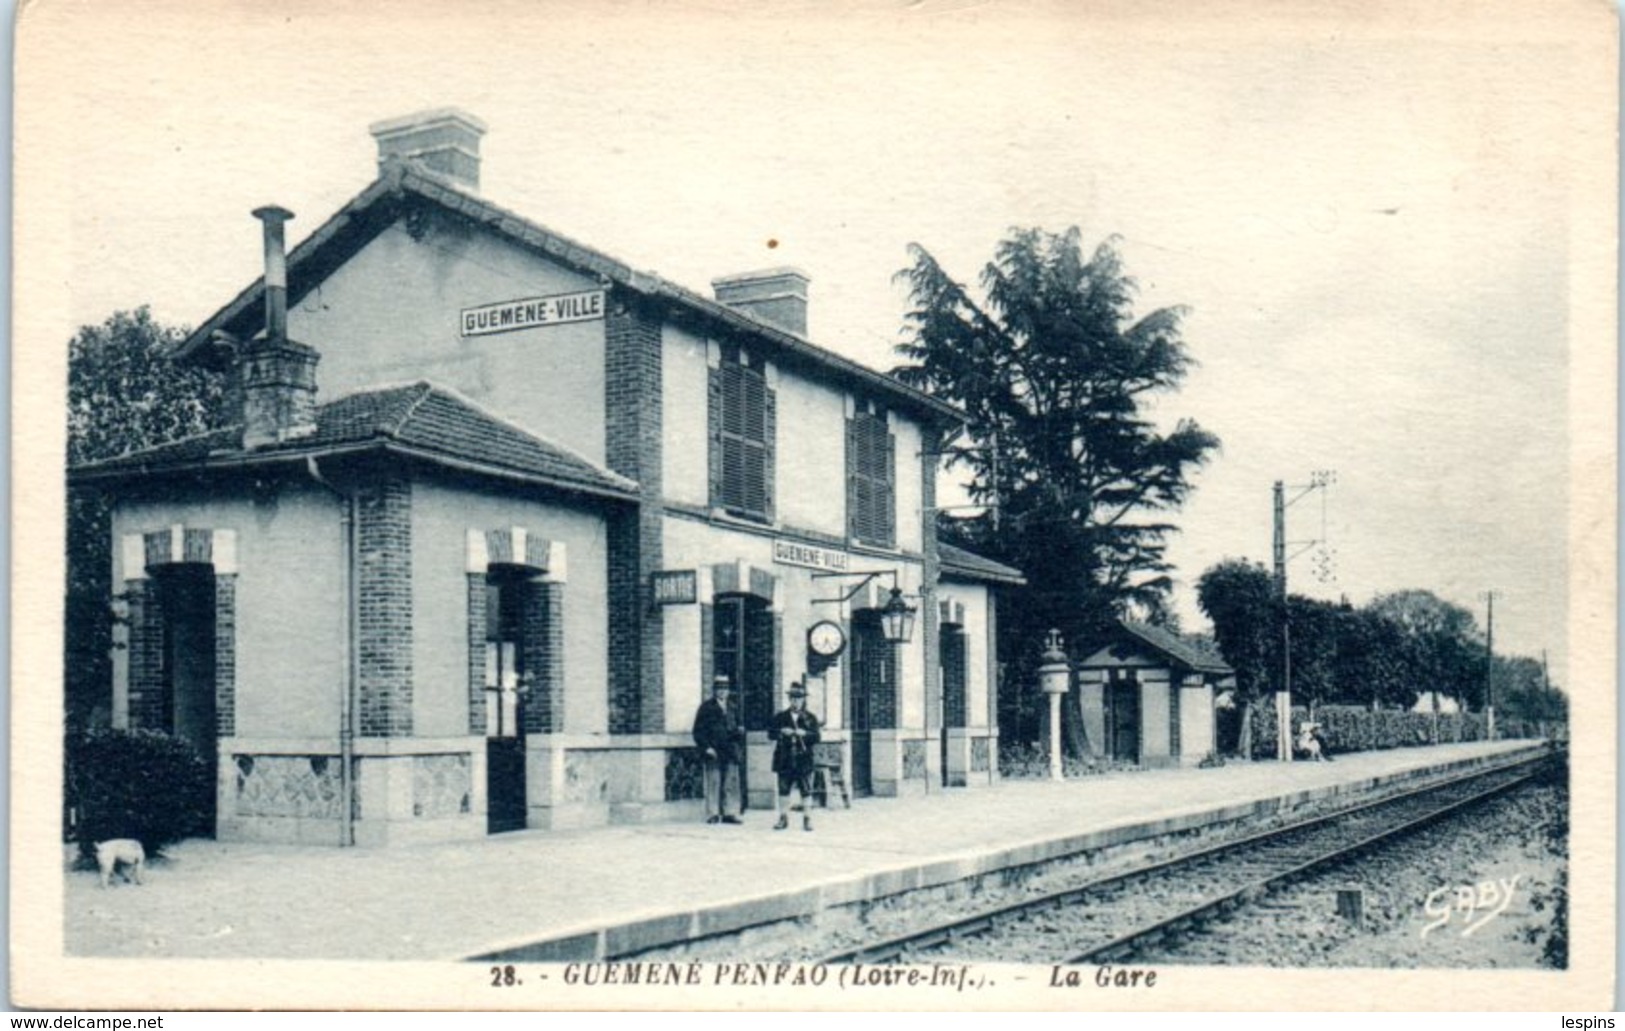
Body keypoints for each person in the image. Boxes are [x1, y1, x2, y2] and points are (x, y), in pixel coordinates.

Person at [770, 680, 822, 831]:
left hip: (803, 758)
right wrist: (781, 732)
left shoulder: (810, 718)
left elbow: (817, 737)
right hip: (784, 758)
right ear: (789, 699)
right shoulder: (780, 717)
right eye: (793, 698)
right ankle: (783, 818)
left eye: (798, 698)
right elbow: (770, 733)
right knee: (783, 788)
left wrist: (805, 733)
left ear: (803, 699)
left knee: (806, 789)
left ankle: (807, 819)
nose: (796, 701)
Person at [693, 676, 743, 824]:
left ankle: (730, 812)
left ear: (728, 691)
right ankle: (712, 813)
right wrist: (706, 747)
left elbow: (739, 726)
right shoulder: (706, 708)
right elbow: (698, 731)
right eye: (719, 689)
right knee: (714, 782)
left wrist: (740, 732)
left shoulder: (733, 707)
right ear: (715, 691)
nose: (722, 692)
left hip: (730, 750)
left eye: (725, 689)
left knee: (730, 783)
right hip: (713, 750)